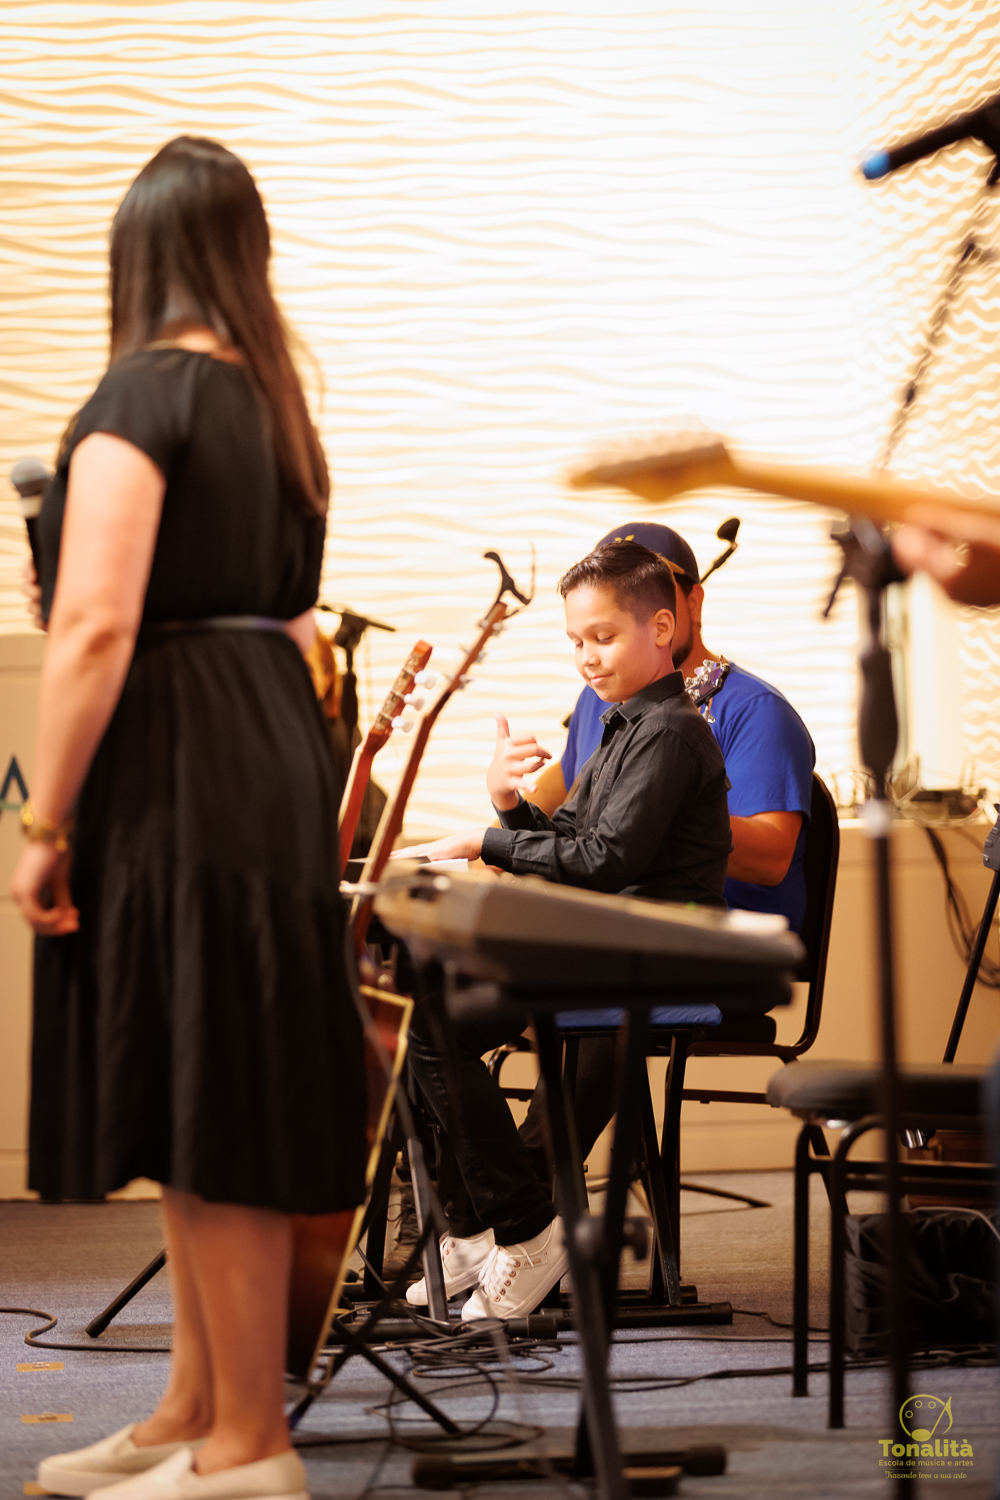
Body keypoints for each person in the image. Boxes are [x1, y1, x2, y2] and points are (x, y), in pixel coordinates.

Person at [8, 137, 366, 1500]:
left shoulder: (141, 392)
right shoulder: (277, 414)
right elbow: (292, 621)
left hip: (181, 758)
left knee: (212, 1095)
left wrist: (44, 824)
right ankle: (192, 1410)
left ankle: (248, 1446)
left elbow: (95, 624)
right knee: (208, 1072)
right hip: (267, 740)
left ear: (136, 255)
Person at [395, 539, 732, 1319]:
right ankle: (483, 1225)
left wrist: (487, 840)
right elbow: (573, 842)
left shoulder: (671, 732)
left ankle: (523, 1228)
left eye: (602, 637)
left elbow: (603, 862)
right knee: (424, 1011)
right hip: (611, 944)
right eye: (576, 641)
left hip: (656, 952)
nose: (586, 656)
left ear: (661, 628)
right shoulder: (624, 725)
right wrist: (508, 806)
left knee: (435, 1023)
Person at [515, 519, 816, 1191]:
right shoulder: (600, 699)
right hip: (624, 920)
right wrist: (502, 829)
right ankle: (476, 1197)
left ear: (688, 601)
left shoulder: (754, 709)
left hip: (720, 939)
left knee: (610, 984)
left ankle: (526, 1200)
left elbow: (772, 857)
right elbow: (564, 800)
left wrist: (661, 808)